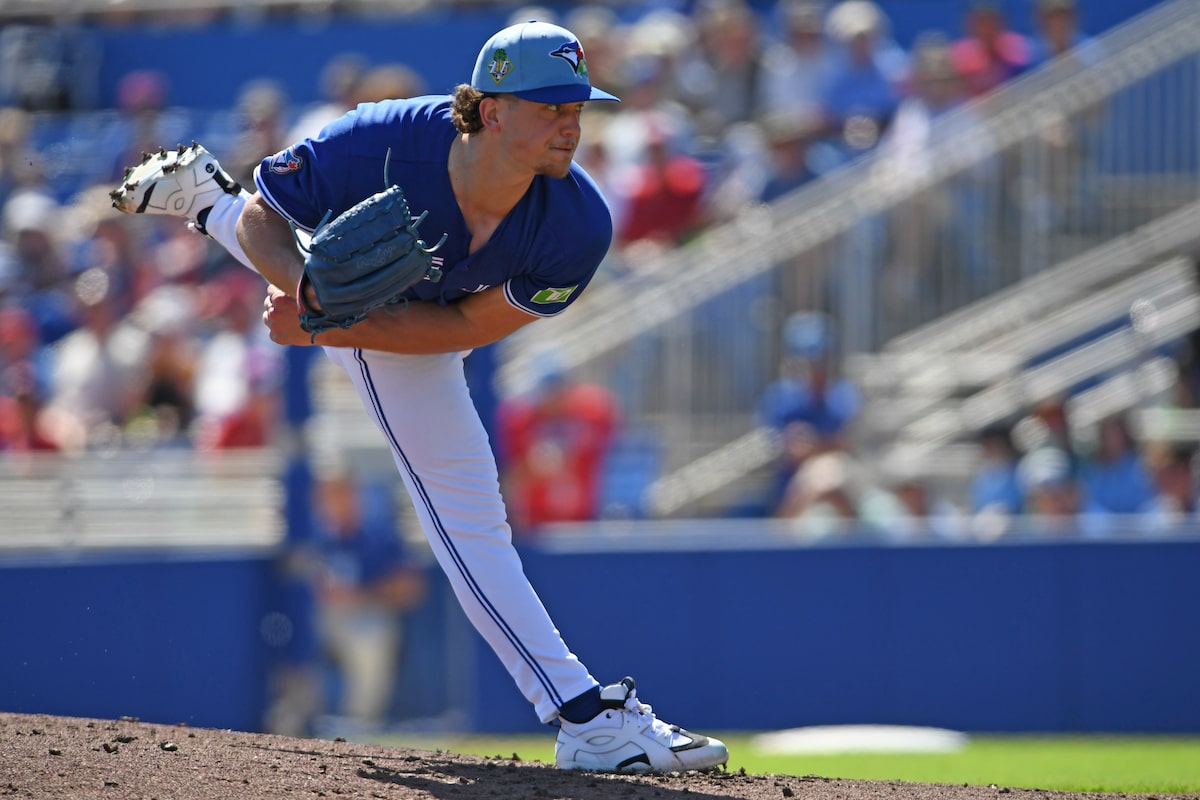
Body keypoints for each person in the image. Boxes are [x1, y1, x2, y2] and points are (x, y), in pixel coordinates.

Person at [110, 20, 728, 774]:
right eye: (551, 107)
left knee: (470, 513)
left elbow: (463, 327)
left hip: (425, 325)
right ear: (492, 109)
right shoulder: (381, 140)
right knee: (471, 519)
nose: (571, 124)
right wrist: (312, 298)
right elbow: (272, 214)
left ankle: (203, 198)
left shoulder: (578, 222)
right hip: (379, 310)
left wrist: (325, 325)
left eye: (578, 108)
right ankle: (584, 716)